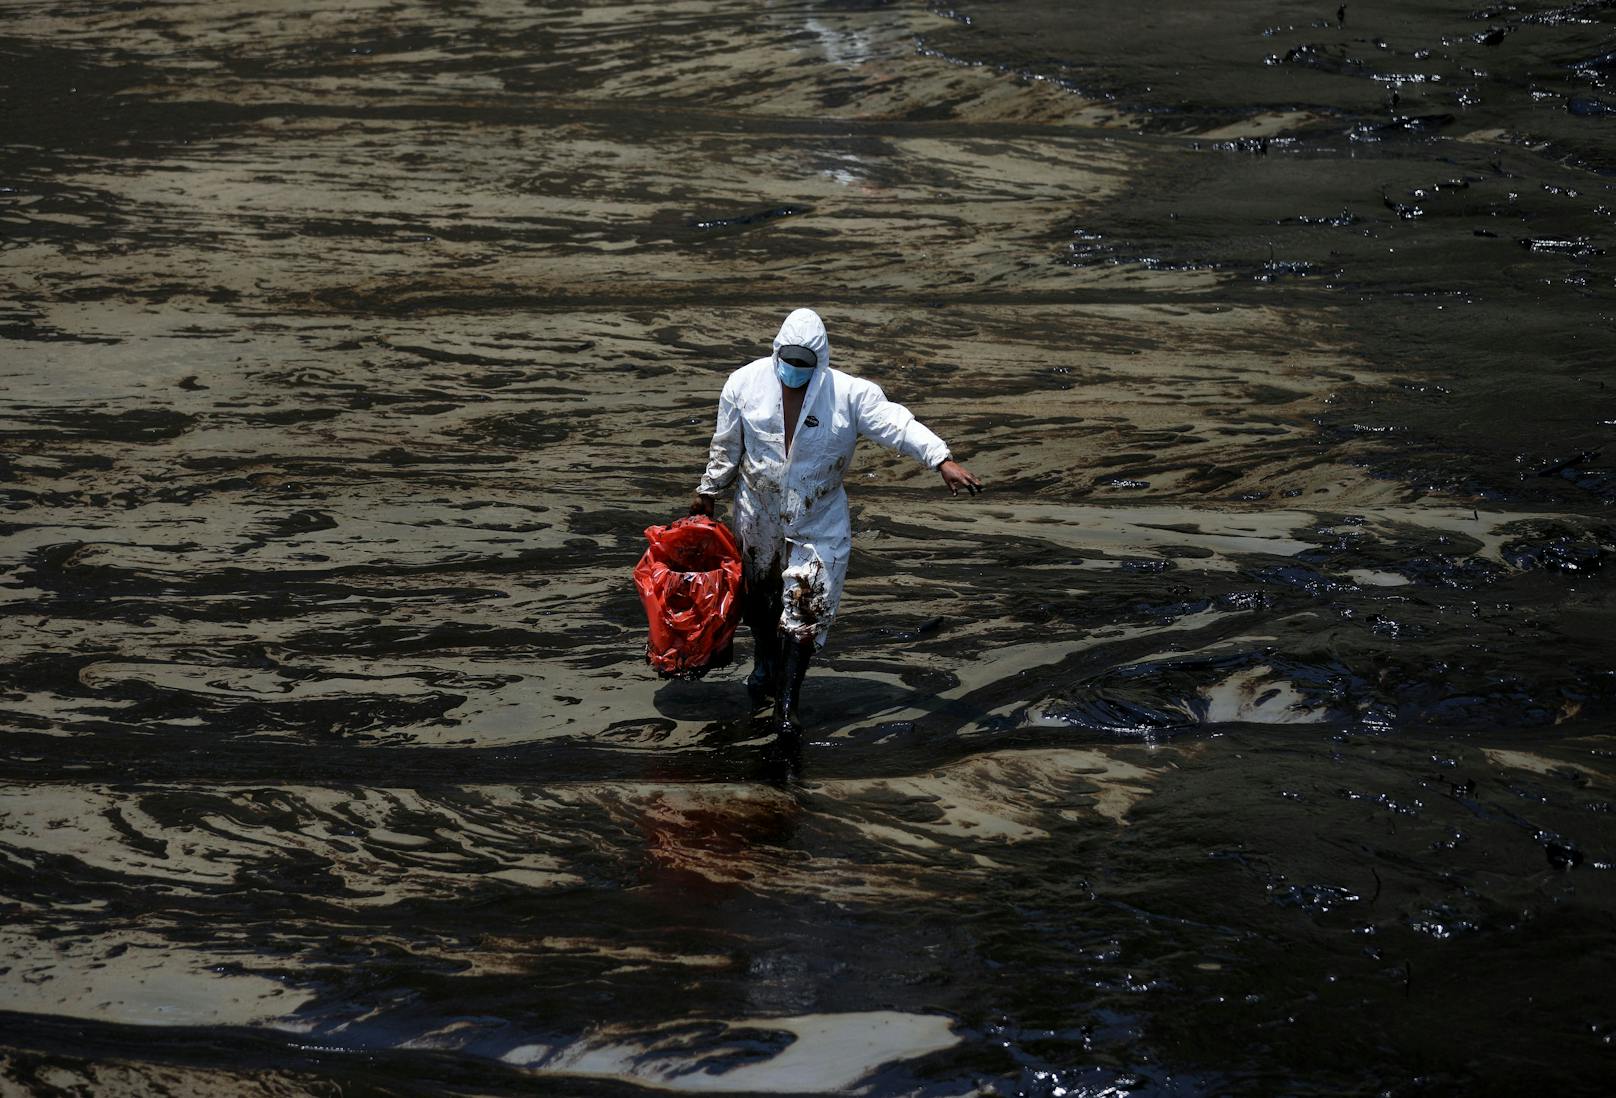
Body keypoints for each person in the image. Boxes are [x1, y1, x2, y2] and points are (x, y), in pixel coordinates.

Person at [690, 307, 982, 747]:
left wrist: (940, 458)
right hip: (758, 511)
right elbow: (727, 444)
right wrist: (708, 491)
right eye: (787, 361)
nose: (793, 371)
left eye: (803, 364)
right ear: (775, 352)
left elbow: (897, 425)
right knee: (761, 598)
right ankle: (765, 664)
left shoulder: (848, 395)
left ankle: (788, 706)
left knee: (806, 609)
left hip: (818, 519)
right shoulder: (745, 383)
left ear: (820, 362)